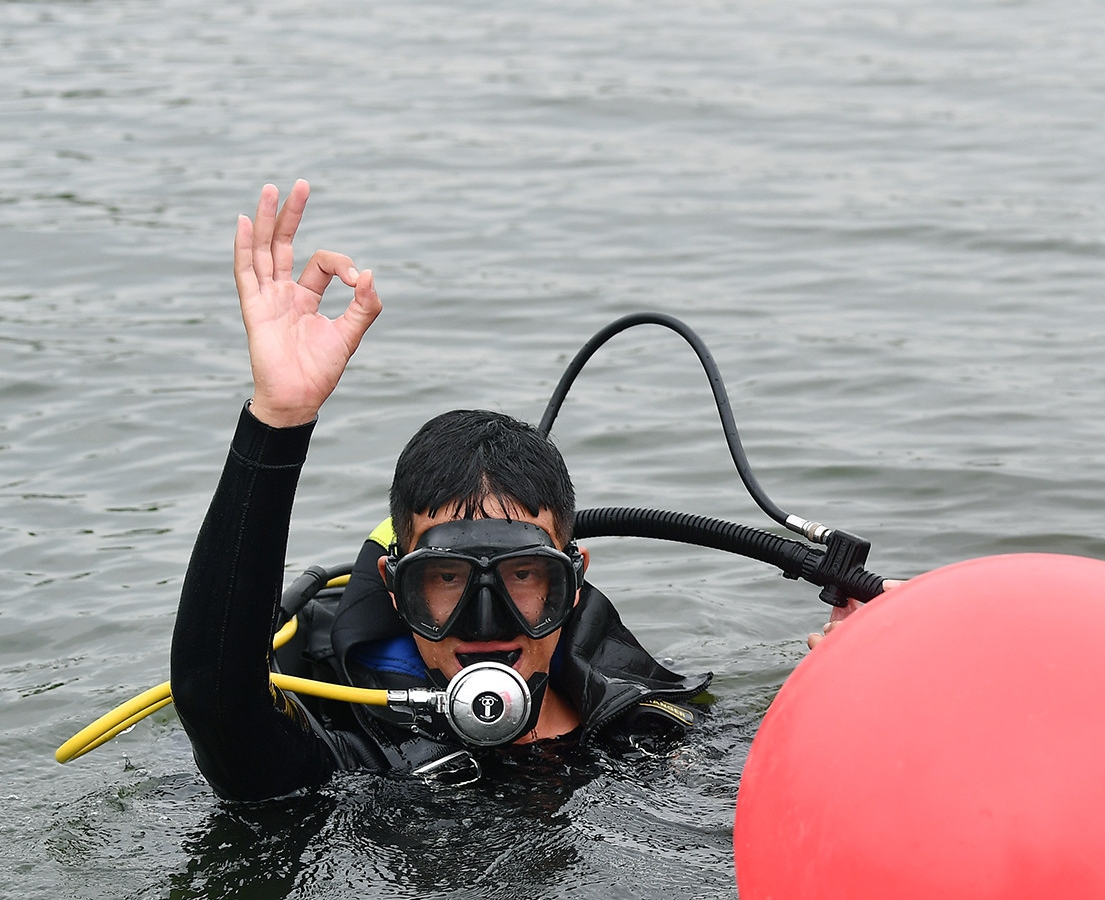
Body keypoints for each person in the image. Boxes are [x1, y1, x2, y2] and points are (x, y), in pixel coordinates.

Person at [171, 182, 710, 801]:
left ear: (573, 584)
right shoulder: (354, 757)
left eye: (523, 575)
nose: (485, 626)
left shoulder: (643, 733)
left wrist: (842, 682)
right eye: (447, 577)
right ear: (398, 591)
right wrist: (278, 418)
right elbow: (217, 704)